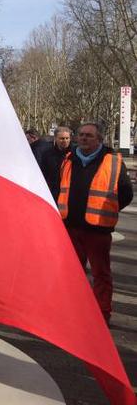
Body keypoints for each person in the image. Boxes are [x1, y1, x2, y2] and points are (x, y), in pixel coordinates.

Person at [54, 122, 133, 325]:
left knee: (101, 274)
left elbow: (125, 194)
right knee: (72, 273)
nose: (83, 138)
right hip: (71, 227)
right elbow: (60, 188)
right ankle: (72, 309)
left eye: (88, 135)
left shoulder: (112, 161)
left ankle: (102, 314)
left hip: (97, 230)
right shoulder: (69, 159)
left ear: (99, 139)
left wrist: (106, 211)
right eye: (80, 135)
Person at [41, 126, 72, 196]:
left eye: (67, 138)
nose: (65, 141)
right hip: (53, 192)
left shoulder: (75, 153)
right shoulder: (47, 154)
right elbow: (44, 173)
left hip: (70, 193)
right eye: (62, 138)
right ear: (55, 138)